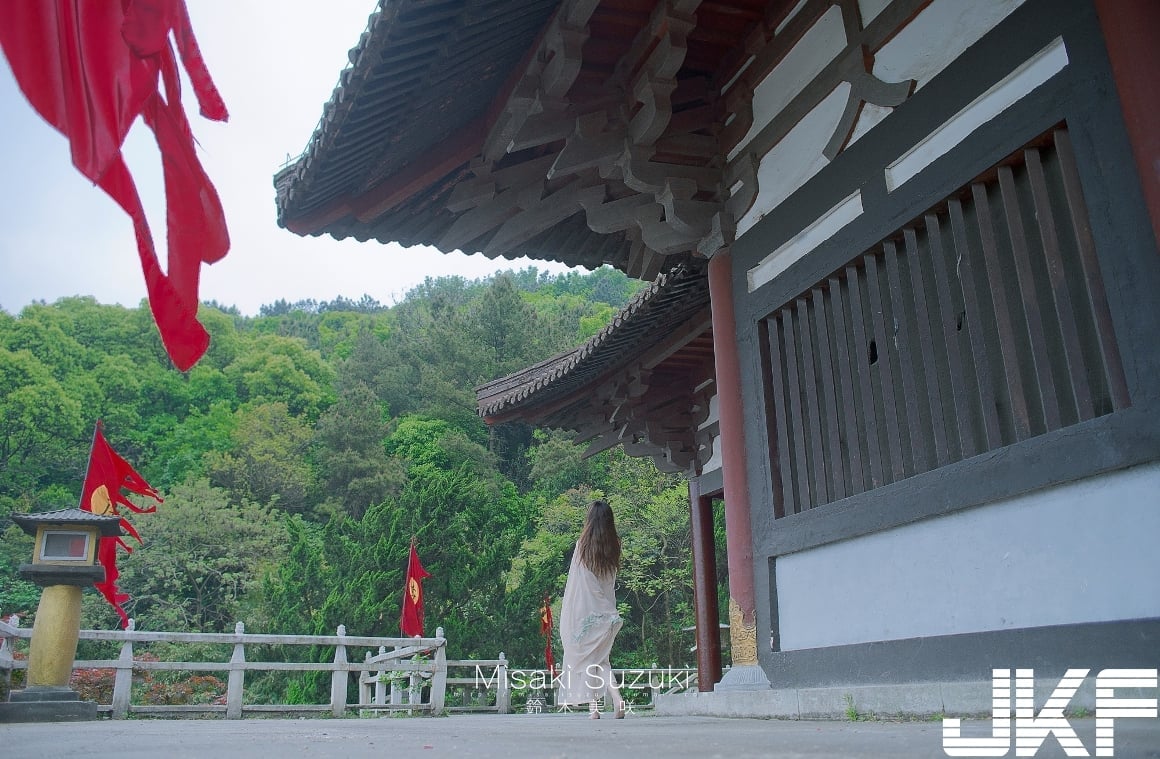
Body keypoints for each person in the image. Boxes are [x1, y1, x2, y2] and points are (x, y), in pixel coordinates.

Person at [557, 499, 625, 719]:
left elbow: (580, 583)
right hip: (607, 612)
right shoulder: (615, 545)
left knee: (588, 661)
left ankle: (595, 708)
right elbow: (609, 582)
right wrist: (608, 610)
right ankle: (614, 701)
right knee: (600, 660)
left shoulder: (583, 547)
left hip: (586, 614)